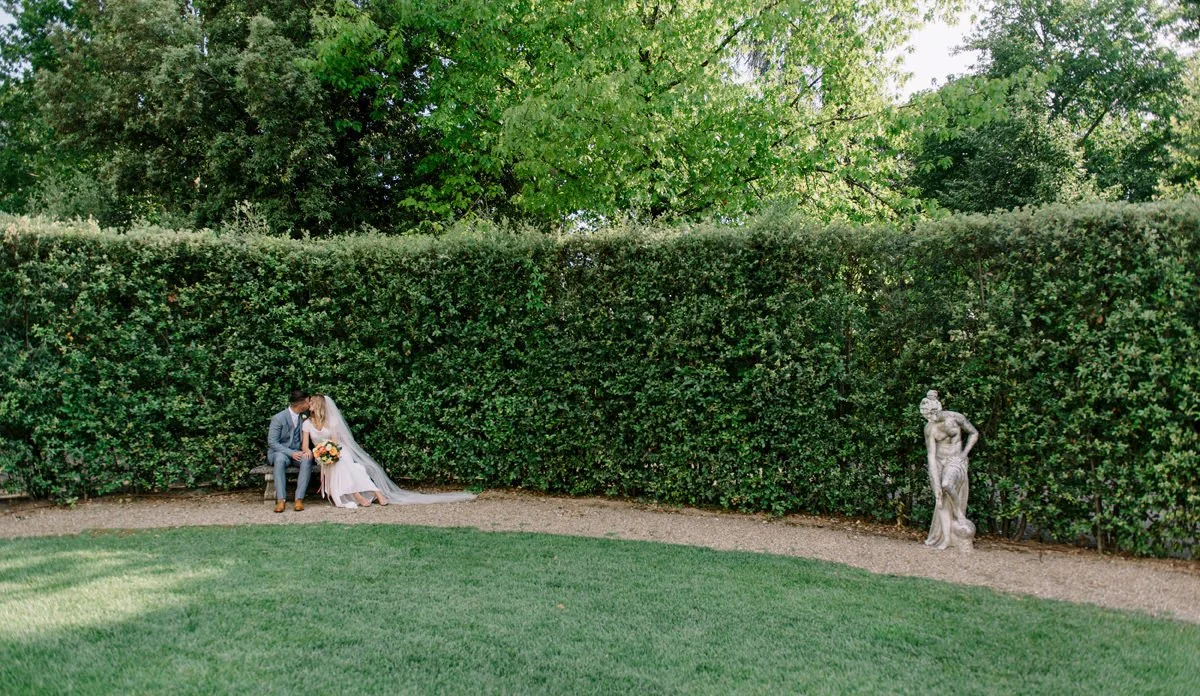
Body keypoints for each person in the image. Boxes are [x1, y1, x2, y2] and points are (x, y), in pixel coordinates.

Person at [302, 394, 477, 508]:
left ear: (317, 405)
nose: (308, 404)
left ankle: (374, 492)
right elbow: (305, 445)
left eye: (311, 402)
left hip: (337, 450)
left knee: (345, 462)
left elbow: (334, 443)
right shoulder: (307, 423)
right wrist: (316, 452)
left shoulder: (331, 422)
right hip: (322, 454)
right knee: (346, 466)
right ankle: (361, 493)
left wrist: (332, 452)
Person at [920, 390, 978, 550]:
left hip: (955, 460)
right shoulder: (929, 429)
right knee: (941, 500)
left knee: (947, 485)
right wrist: (934, 483)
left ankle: (959, 514)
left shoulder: (956, 418)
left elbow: (974, 433)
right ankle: (945, 539)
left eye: (931, 414)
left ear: (937, 409)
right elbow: (931, 456)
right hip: (939, 462)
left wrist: (964, 454)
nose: (929, 418)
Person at [266, 389, 315, 513]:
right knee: (280, 459)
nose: (309, 404)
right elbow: (272, 442)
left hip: (298, 452)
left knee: (307, 458)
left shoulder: (304, 417)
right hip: (280, 453)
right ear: (301, 403)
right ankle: (281, 500)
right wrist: (291, 453)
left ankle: (299, 499)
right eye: (308, 401)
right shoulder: (279, 418)